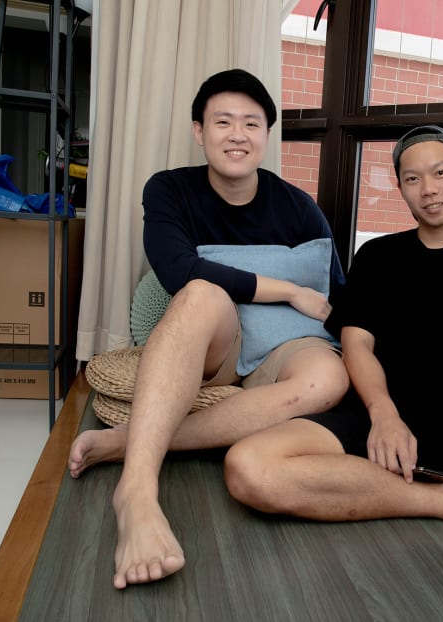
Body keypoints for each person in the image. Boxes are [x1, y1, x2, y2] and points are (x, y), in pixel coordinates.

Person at [223, 125, 443, 609]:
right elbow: (356, 344)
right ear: (400, 187)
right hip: (378, 415)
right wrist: (384, 413)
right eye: (412, 179)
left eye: (440, 173)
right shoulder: (379, 255)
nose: (429, 189)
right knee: (247, 469)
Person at [67, 69, 349, 589]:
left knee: (328, 379)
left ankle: (128, 442)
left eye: (251, 123)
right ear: (200, 131)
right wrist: (285, 288)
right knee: (199, 292)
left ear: (267, 134)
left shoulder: (300, 208)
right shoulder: (169, 189)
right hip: (221, 342)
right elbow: (177, 271)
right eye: (223, 121)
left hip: (285, 349)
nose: (237, 134)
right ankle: (136, 491)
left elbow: (337, 298)